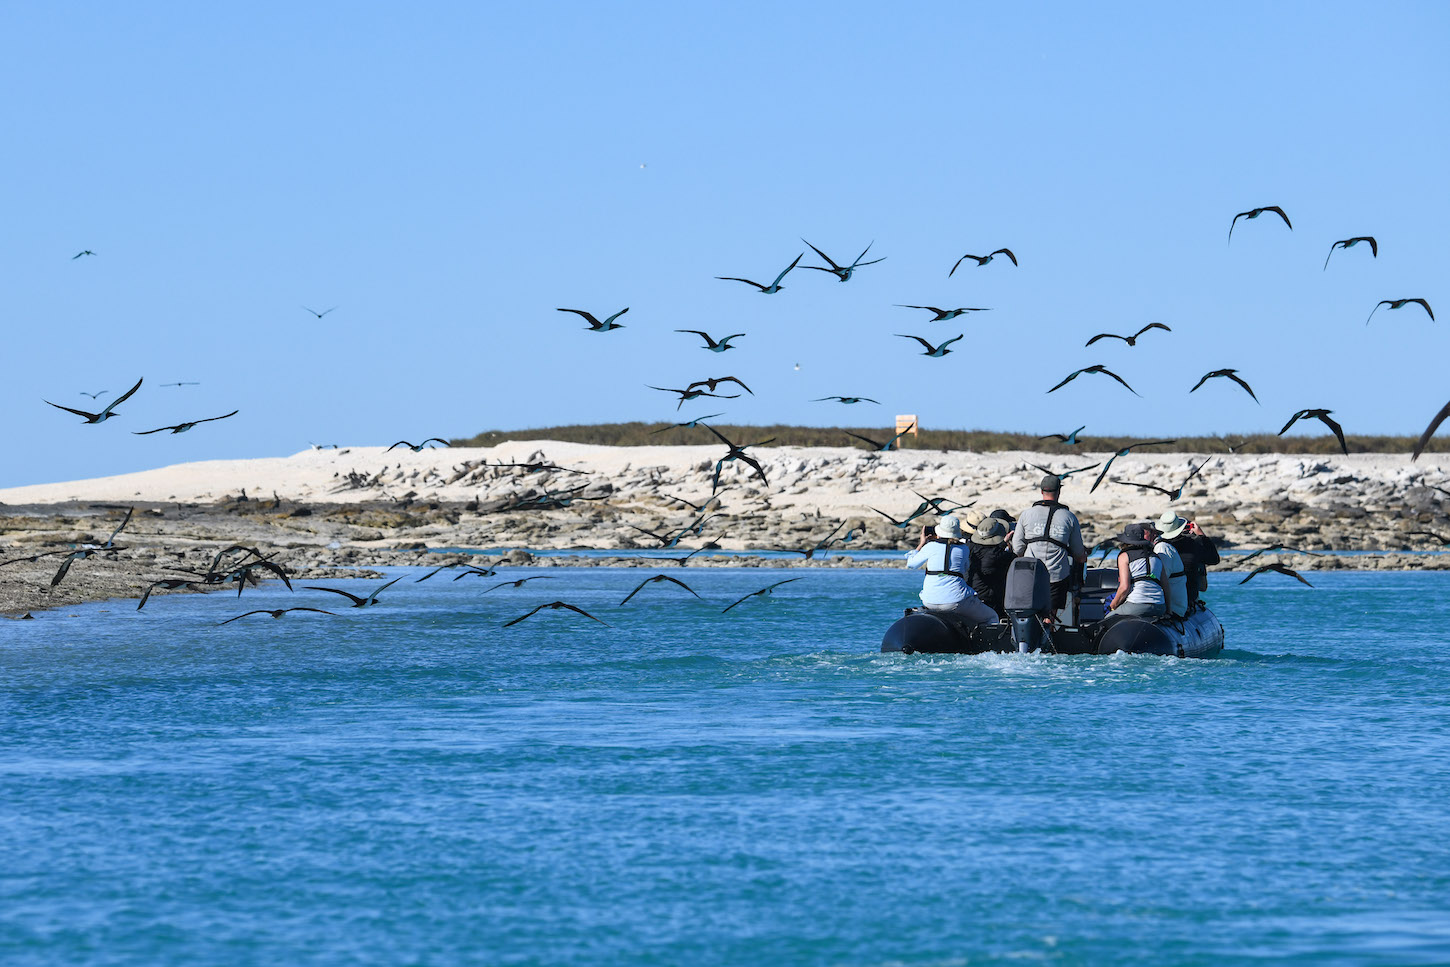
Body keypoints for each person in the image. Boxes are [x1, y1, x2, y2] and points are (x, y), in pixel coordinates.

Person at [1011, 475, 1088, 621]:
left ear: (1041, 492)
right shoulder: (1069, 517)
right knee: (1049, 617)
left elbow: (1018, 548)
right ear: (1059, 492)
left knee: (1029, 613)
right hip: (1057, 575)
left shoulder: (1026, 514)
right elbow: (1079, 554)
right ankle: (1048, 632)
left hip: (1030, 573)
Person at [905, 515, 998, 626]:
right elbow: (964, 570)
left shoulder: (930, 546)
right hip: (956, 601)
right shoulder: (964, 549)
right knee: (992, 616)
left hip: (929, 601)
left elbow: (911, 564)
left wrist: (921, 543)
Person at [1159, 510, 1219, 610]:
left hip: (1163, 597)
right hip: (1189, 596)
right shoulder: (1194, 545)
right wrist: (1201, 535)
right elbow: (1214, 559)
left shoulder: (1160, 547)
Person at [1108, 522, 1166, 617]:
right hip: (1159, 606)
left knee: (1107, 620)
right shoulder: (1156, 557)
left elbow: (1124, 588)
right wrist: (1168, 609)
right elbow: (1165, 585)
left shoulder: (1124, 556)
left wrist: (1112, 606)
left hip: (1137, 604)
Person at [967, 517, 1014, 616]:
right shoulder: (1000, 556)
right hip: (991, 598)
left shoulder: (970, 547)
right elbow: (990, 561)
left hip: (971, 593)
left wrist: (1001, 545)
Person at [1149, 517, 1189, 619]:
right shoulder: (1166, 547)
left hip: (1174, 608)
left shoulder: (1162, 548)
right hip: (1177, 605)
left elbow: (1161, 578)